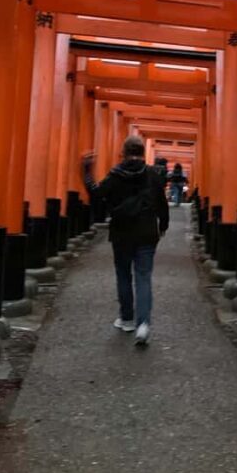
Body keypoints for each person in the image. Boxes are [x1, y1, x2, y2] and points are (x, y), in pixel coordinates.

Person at [82, 135, 169, 347]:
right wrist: (163, 226)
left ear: (123, 151)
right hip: (147, 232)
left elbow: (97, 194)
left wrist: (86, 172)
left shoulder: (115, 175)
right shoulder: (153, 175)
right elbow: (162, 204)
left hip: (121, 232)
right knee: (143, 277)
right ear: (142, 153)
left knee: (123, 274)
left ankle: (127, 318)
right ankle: (143, 325)